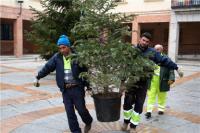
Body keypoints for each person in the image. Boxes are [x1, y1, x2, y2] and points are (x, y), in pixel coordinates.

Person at [121, 32, 183, 133]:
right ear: (140, 39)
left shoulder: (152, 52)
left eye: (147, 41)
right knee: (127, 104)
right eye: (143, 40)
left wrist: (176, 67)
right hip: (132, 82)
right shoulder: (132, 51)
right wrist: (122, 82)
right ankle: (126, 121)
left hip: (144, 83)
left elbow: (164, 60)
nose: (144, 42)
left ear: (149, 43)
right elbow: (125, 66)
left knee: (139, 106)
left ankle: (133, 126)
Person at [34, 35, 93, 133]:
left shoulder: (77, 57)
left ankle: (88, 121)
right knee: (70, 113)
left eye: (64, 47)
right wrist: (38, 76)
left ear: (68, 46)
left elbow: (85, 71)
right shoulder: (57, 57)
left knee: (81, 109)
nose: (62, 50)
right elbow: (47, 67)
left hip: (77, 88)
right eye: (60, 48)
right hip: (65, 90)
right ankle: (76, 131)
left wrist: (88, 85)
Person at [145, 44, 175, 119]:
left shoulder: (166, 58)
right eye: (155, 49)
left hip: (163, 80)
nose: (155, 50)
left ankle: (161, 109)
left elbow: (171, 69)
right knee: (151, 96)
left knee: (162, 96)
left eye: (157, 49)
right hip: (152, 80)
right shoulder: (151, 58)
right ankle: (149, 111)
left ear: (161, 50)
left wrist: (171, 78)